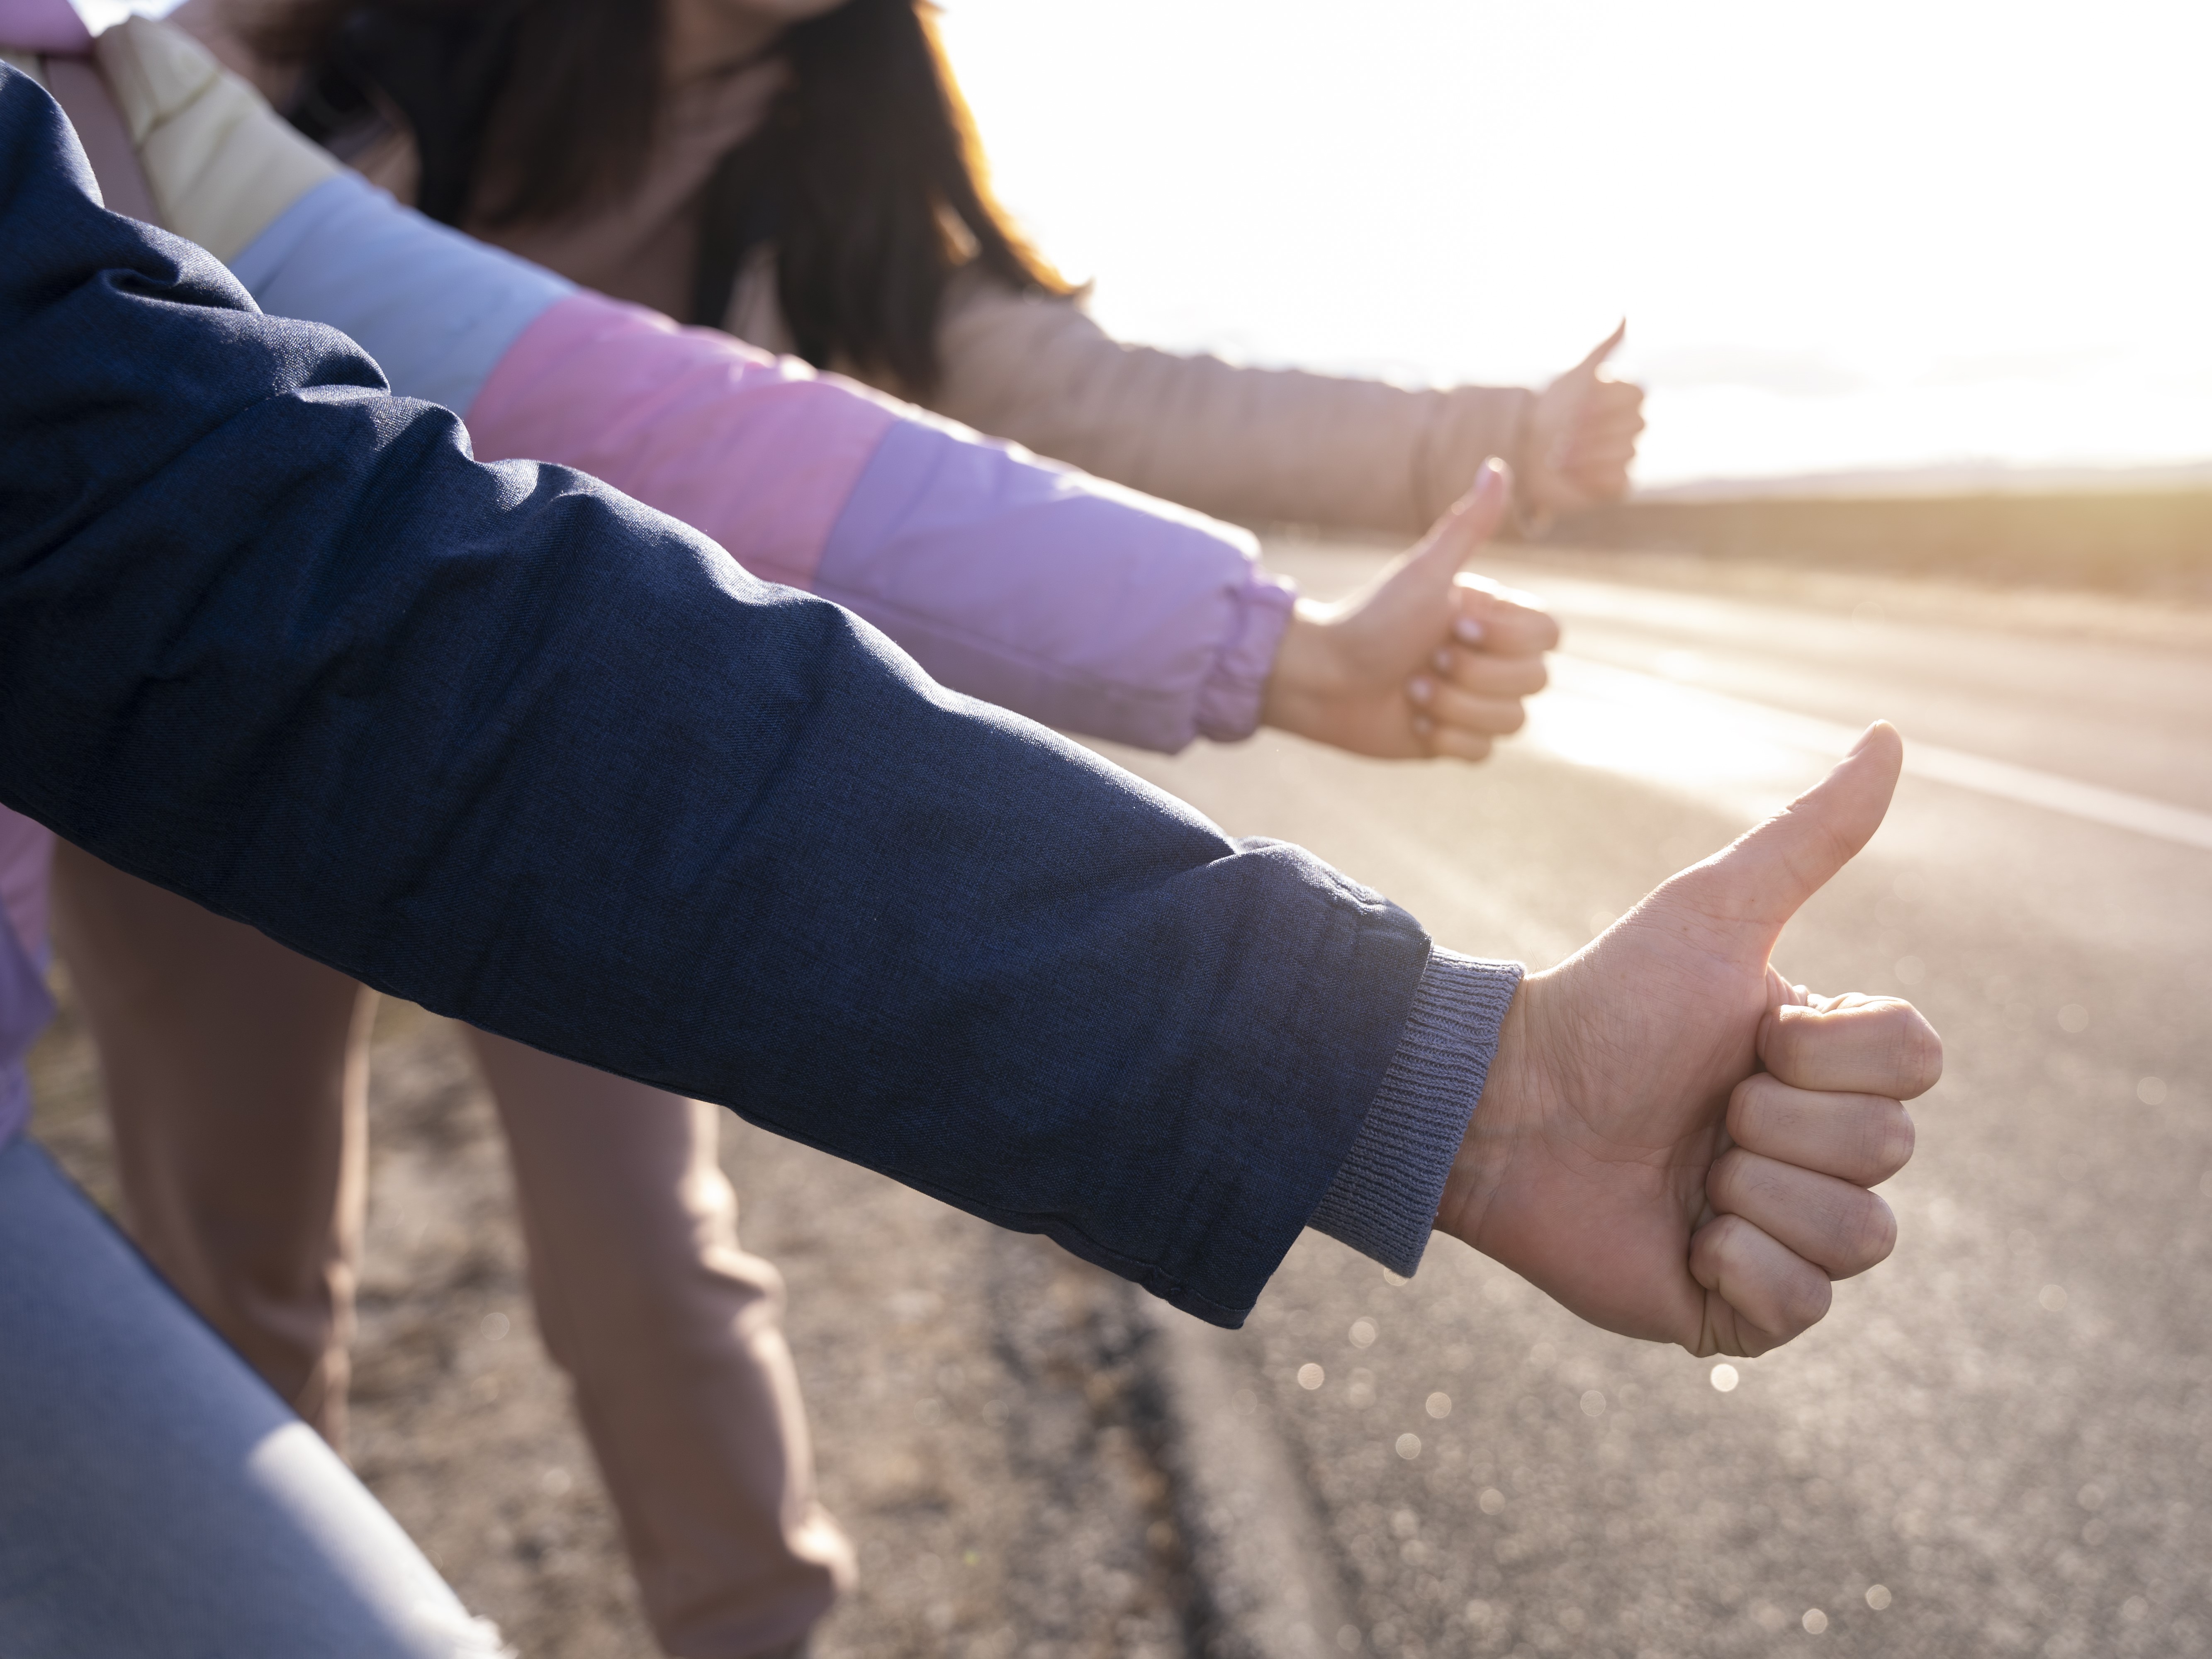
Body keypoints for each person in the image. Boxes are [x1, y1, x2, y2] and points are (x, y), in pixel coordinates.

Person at [3, 63, 1936, 1653]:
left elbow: (730, 444)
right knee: (241, 1269)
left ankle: (749, 1628)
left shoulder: (814, 169)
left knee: (642, 1250)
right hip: (211, 740)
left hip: (497, 718)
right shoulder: (317, 49)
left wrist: (1449, 1060)